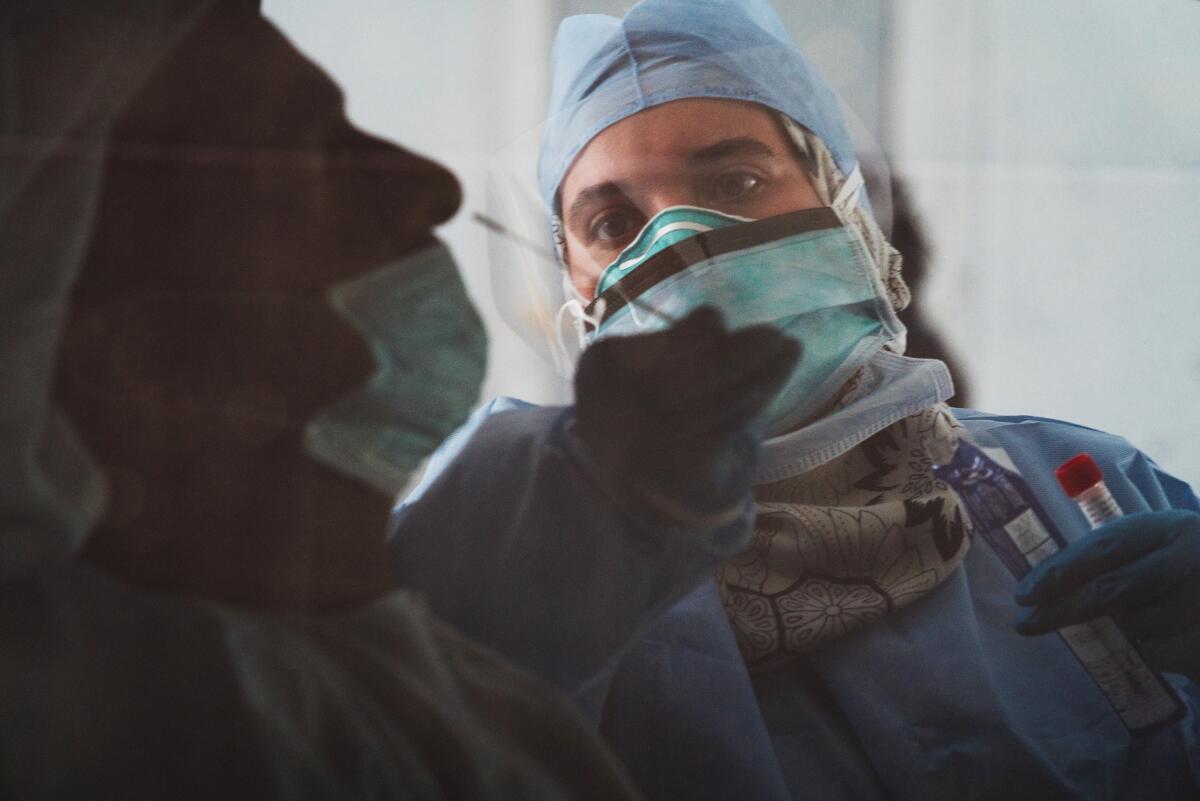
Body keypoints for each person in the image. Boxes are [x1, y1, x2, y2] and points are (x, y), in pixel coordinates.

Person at [388, 1, 1200, 799]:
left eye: (737, 179)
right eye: (612, 221)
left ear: (845, 208)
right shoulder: (532, 547)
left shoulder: (1083, 487)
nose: (680, 244)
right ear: (574, 294)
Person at [0, 2, 641, 798]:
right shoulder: (84, 730)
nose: (433, 187)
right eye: (309, 158)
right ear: (137, 359)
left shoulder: (510, 733)